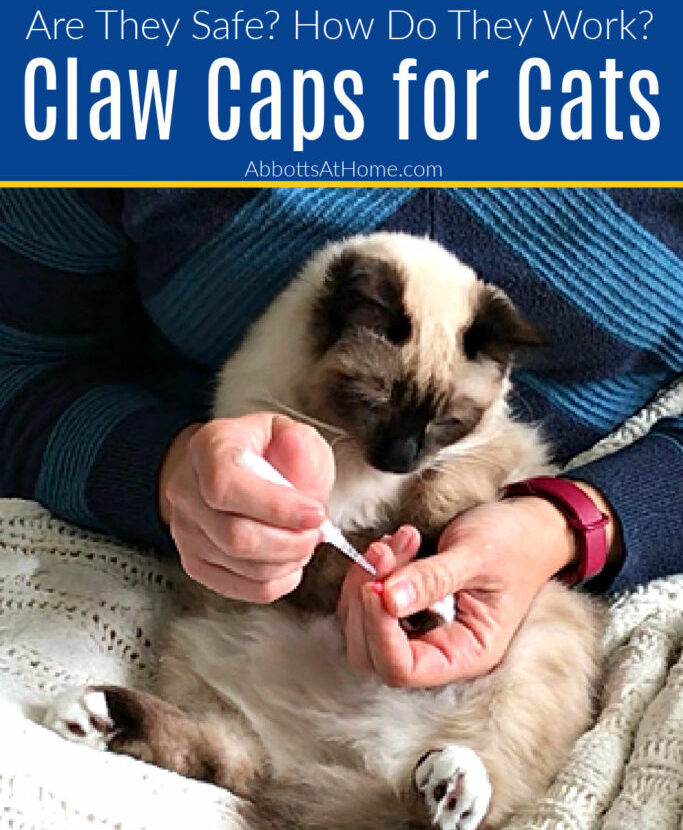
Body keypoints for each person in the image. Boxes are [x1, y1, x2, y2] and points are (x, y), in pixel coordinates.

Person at [0, 187, 681, 688]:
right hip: (215, 574)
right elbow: (20, 370)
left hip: (566, 572)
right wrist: (163, 474)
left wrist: (571, 525)